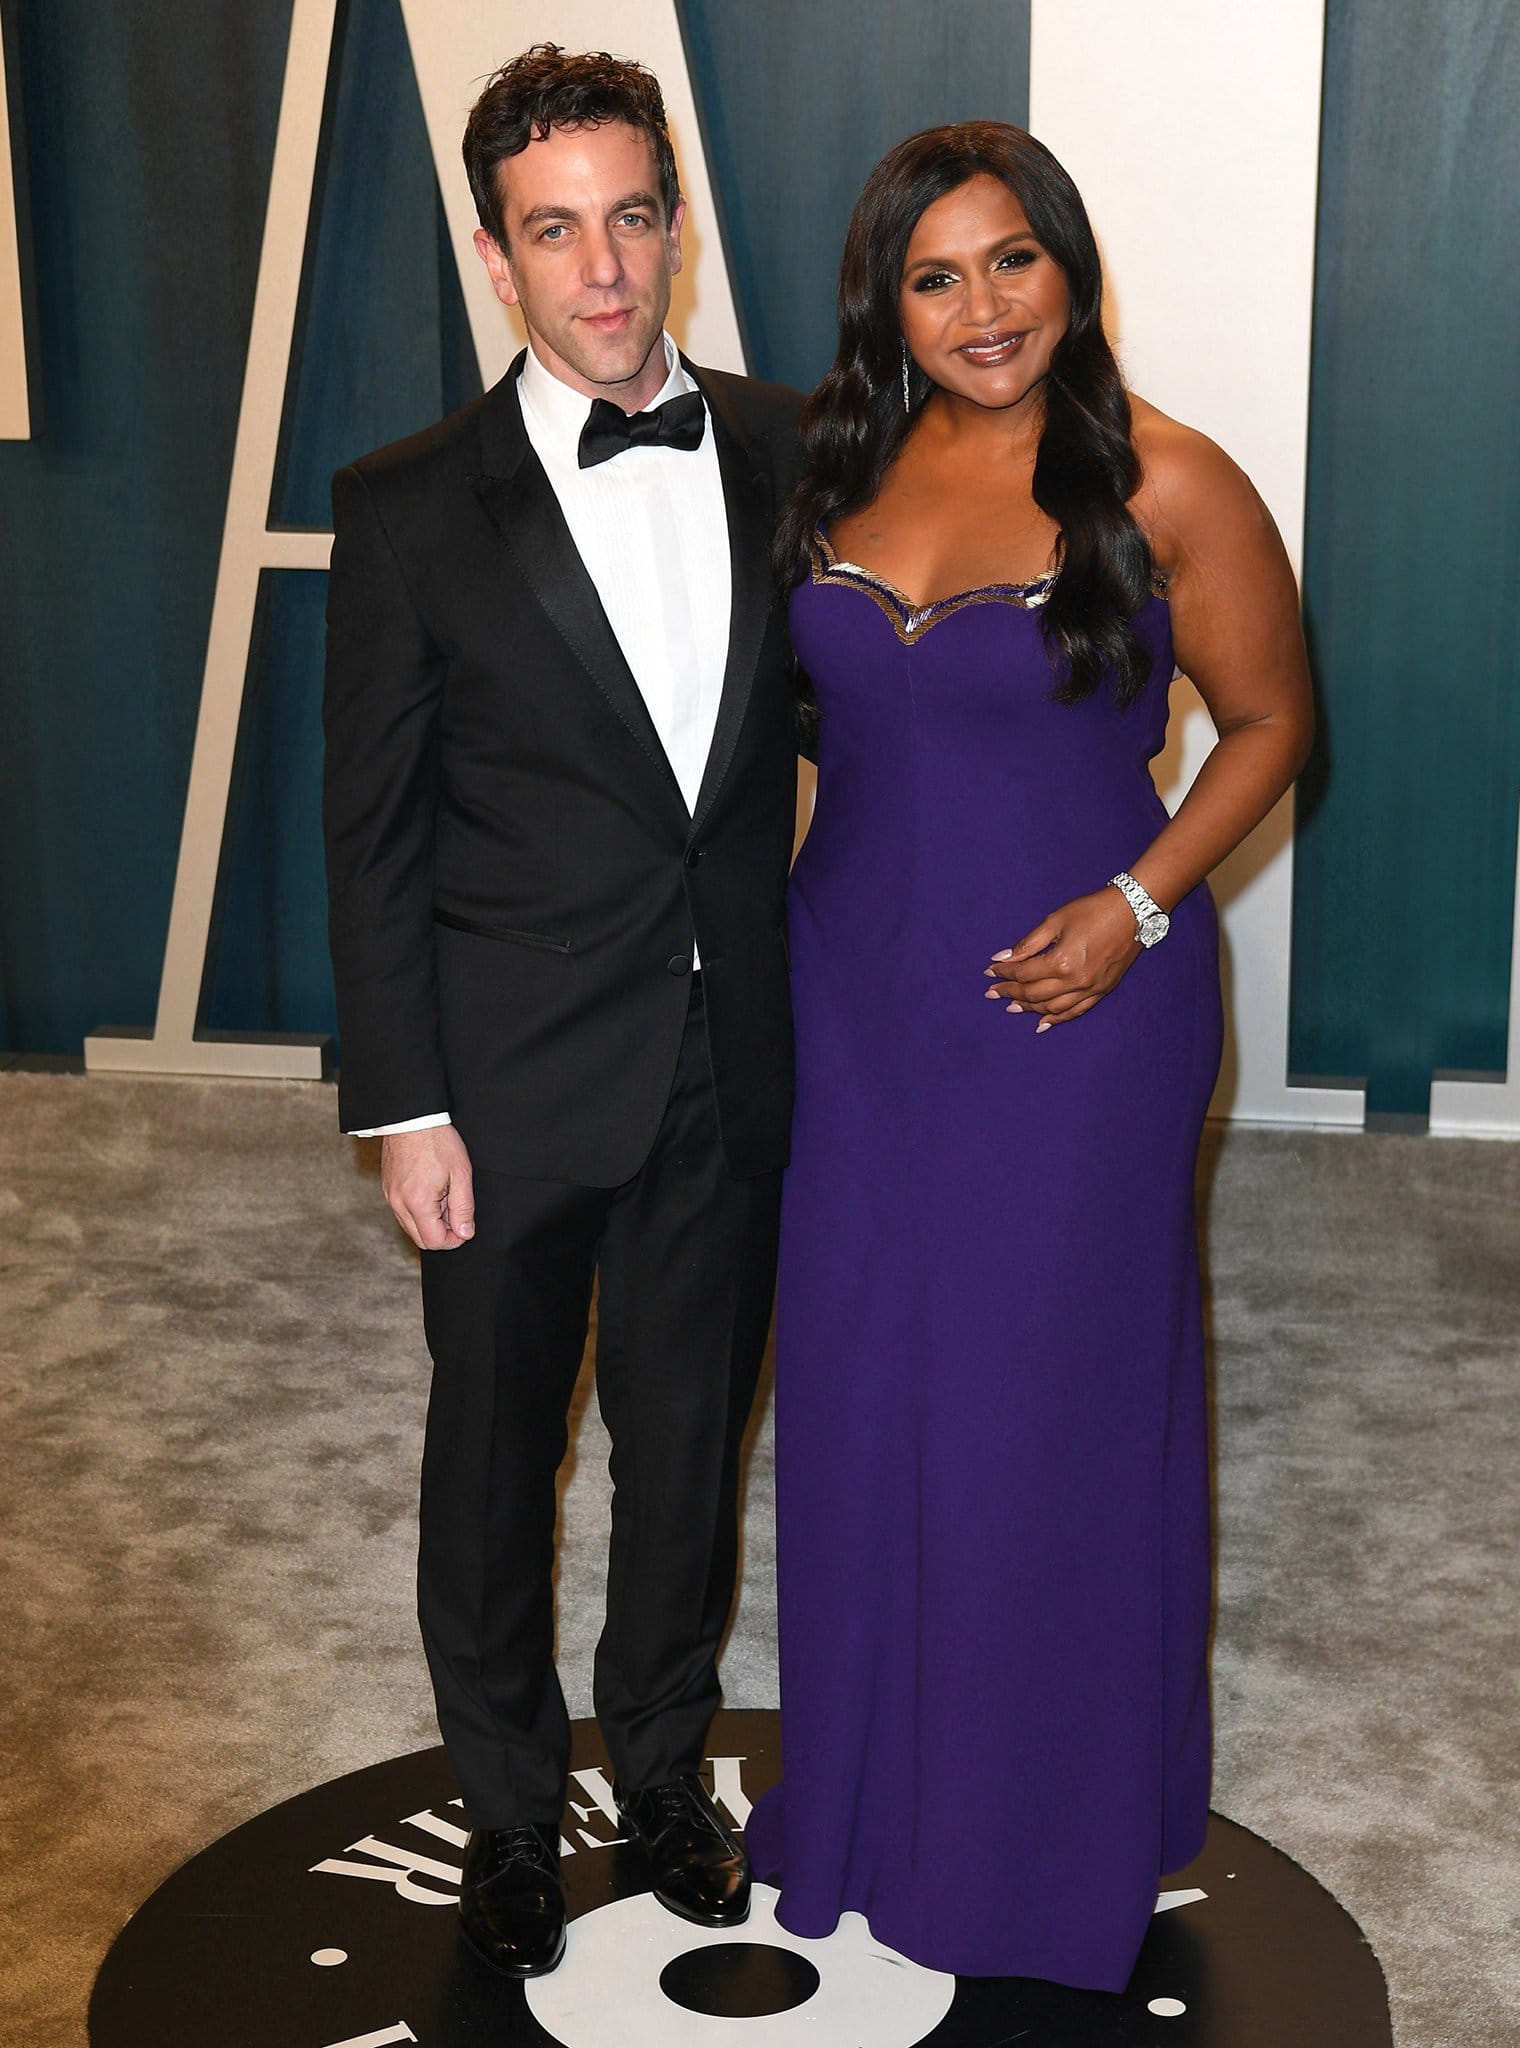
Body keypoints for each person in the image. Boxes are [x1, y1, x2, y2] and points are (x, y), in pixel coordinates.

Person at [743, 122, 1314, 1993]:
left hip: (1080, 1006)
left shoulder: (1167, 479)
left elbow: (1267, 720)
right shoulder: (833, 465)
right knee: (855, 1394)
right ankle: (860, 1799)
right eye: (936, 276)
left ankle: (1035, 1840)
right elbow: (818, 745)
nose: (982, 310)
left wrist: (1138, 905)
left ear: (1071, 269)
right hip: (854, 1003)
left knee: (1040, 1413)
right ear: (884, 305)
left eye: (1014, 262)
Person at [321, 44, 802, 1979]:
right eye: (553, 232)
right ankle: (510, 1812)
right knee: (493, 1456)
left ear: (672, 222)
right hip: (504, 1081)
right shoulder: (410, 502)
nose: (602, 272)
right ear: (496, 254)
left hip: (731, 1059)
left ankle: (668, 1773)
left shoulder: (792, 445)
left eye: (629, 218)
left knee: (687, 1449)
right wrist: (400, 1101)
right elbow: (368, 832)